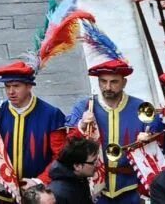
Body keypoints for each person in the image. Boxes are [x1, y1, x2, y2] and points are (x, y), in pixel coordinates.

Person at [65, 46, 154, 204]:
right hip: (95, 189)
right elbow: (68, 146)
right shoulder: (84, 106)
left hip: (131, 189)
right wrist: (82, 126)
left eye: (114, 82)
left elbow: (158, 146)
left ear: (124, 82)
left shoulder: (142, 108)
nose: (107, 87)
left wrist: (149, 140)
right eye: (103, 82)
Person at [0, 61, 70, 196]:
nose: (11, 92)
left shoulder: (51, 114)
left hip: (38, 193)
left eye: (16, 86)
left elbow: (60, 156)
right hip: (4, 193)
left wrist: (39, 181)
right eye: (7, 86)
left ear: (29, 86)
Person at [48, 138, 101, 204]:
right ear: (77, 166)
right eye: (93, 162)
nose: (98, 164)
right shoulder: (58, 195)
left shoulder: (80, 180)